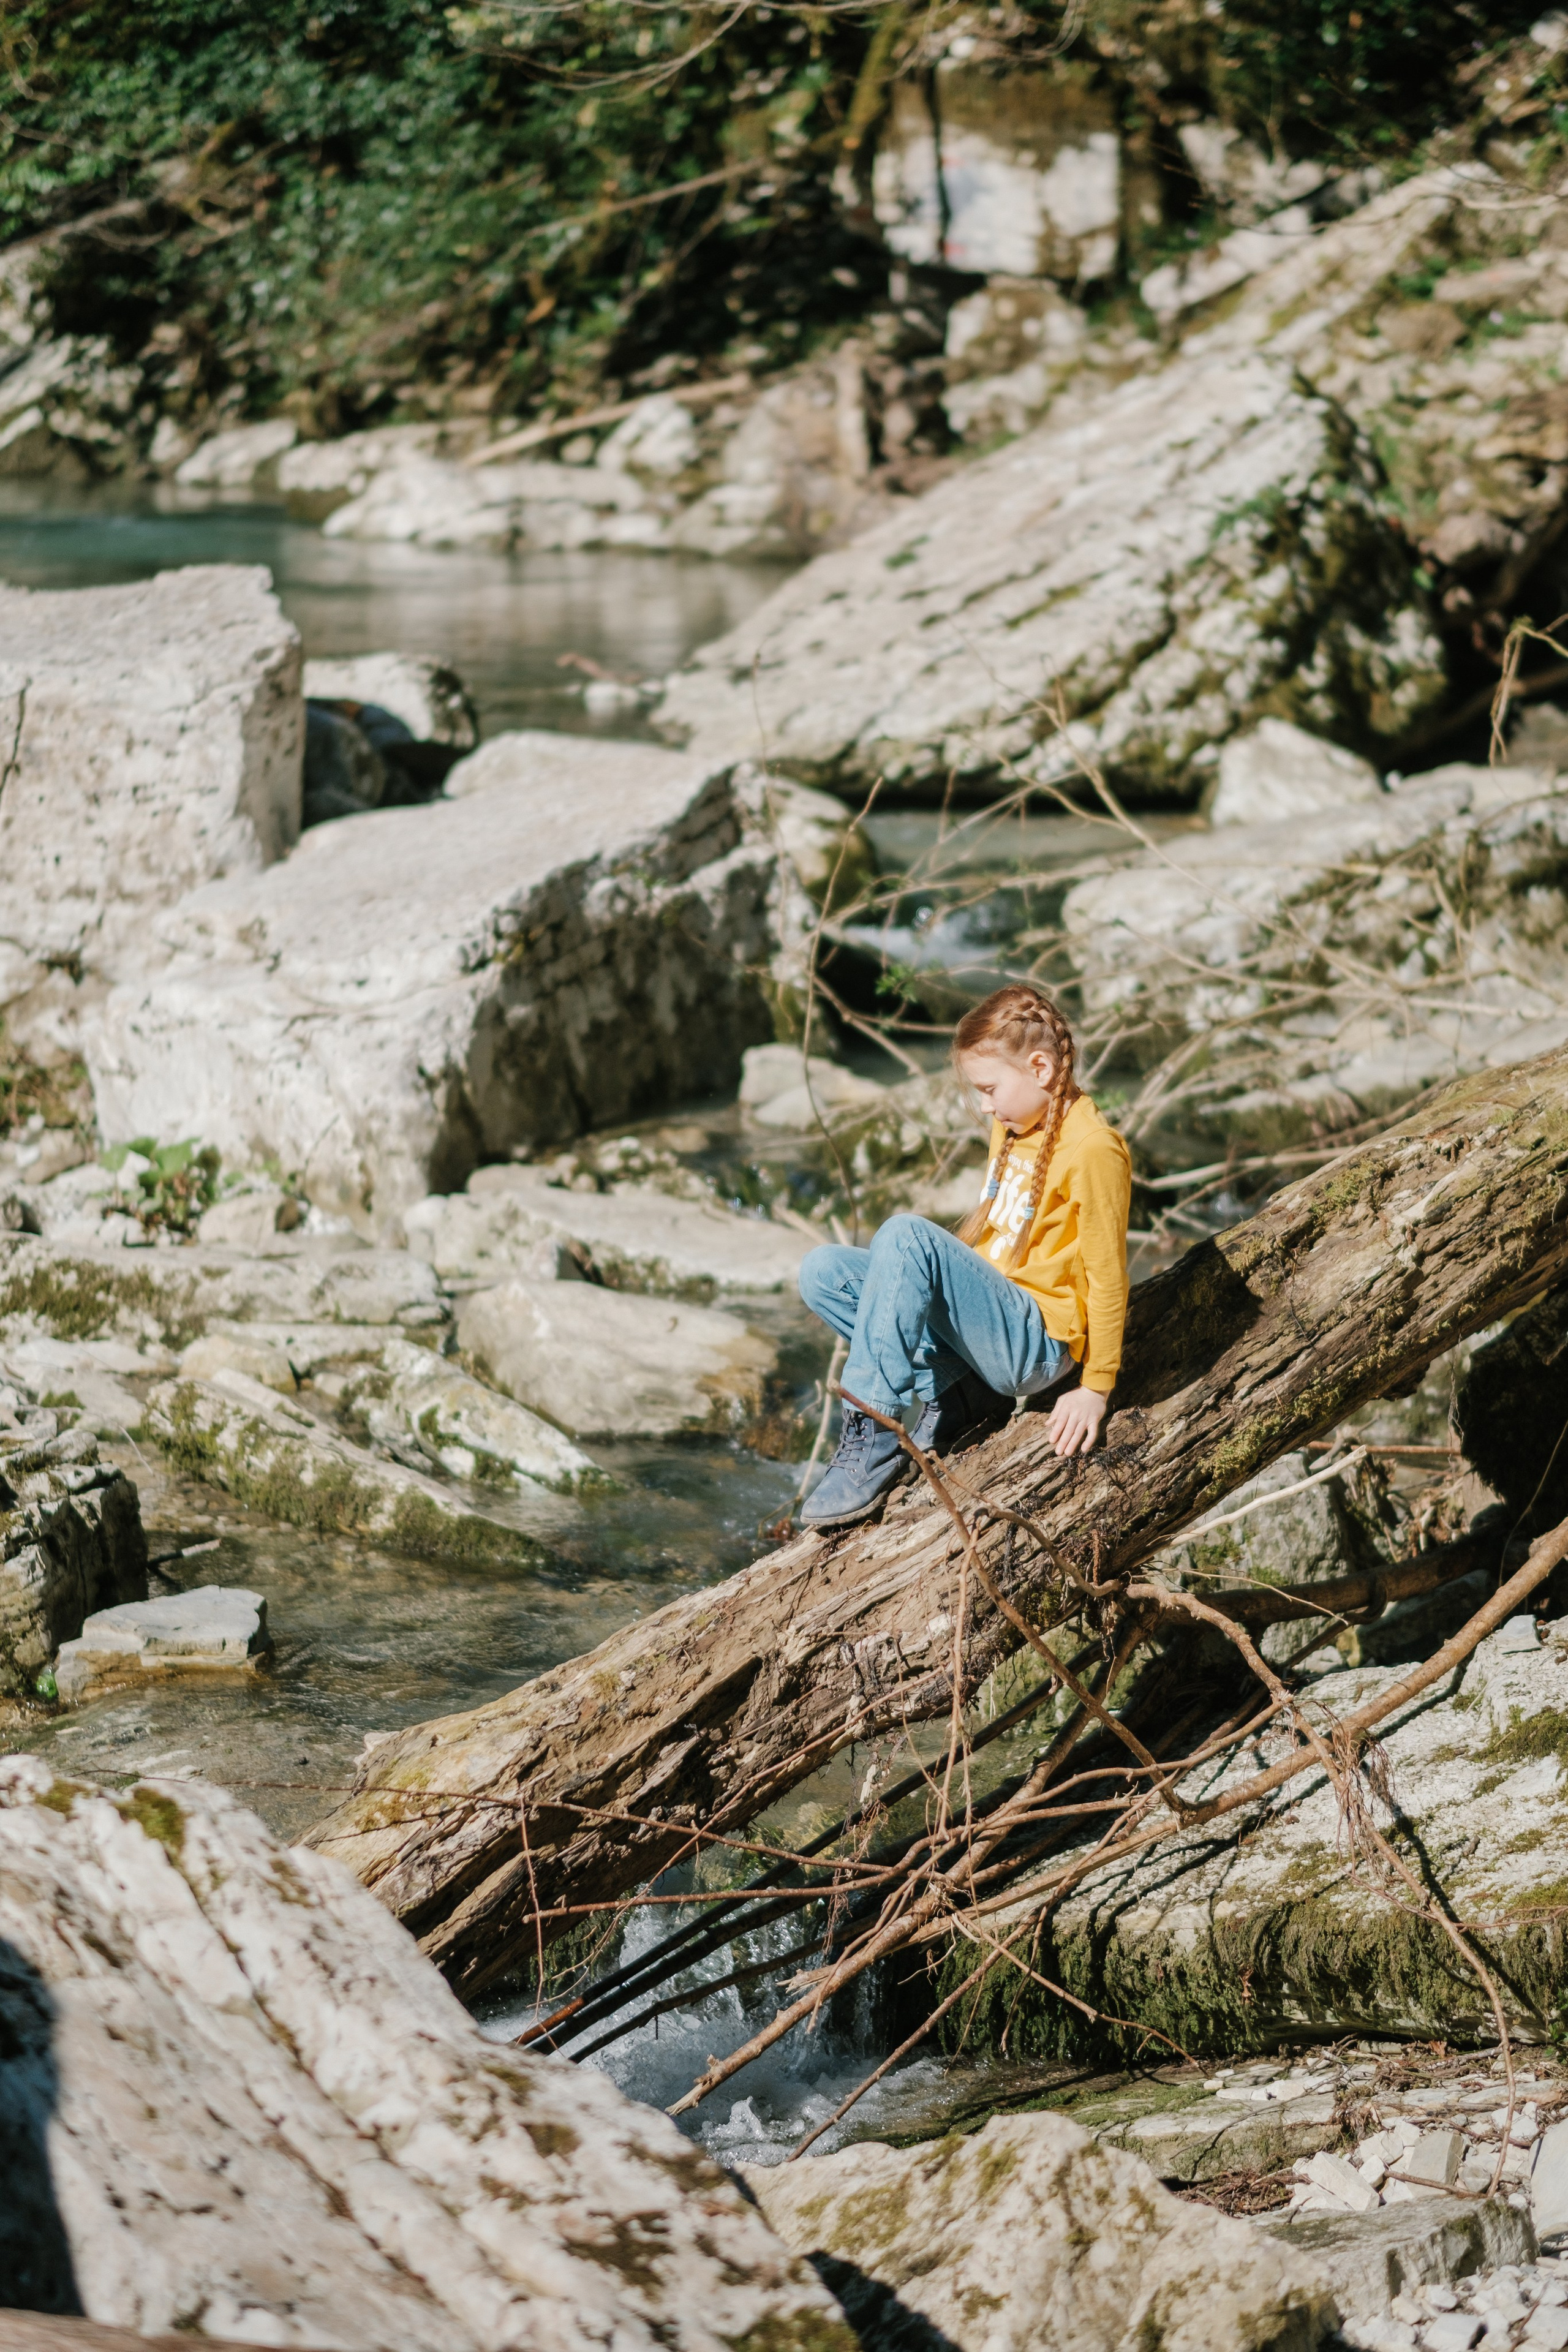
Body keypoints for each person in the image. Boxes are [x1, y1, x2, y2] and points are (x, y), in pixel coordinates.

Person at [796, 981, 1132, 1529]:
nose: (984, 1105)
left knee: (907, 1235)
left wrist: (1097, 1387)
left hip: (1036, 1343)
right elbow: (992, 1242)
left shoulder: (1094, 1148)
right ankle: (958, 1393)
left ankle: (875, 1431)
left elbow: (1109, 1276)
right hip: (989, 1332)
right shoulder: (1017, 1124)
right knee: (823, 1271)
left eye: (989, 1088)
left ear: (1042, 1068)